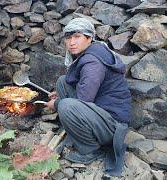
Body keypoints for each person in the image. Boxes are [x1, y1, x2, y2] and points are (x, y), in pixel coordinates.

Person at [45, 18, 131, 176]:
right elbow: (85, 86)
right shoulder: (95, 50)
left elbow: (83, 101)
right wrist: (60, 95)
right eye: (68, 38)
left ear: (89, 38)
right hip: (101, 111)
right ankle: (76, 131)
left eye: (77, 36)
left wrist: (56, 104)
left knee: (65, 106)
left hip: (112, 124)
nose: (72, 42)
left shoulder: (92, 62)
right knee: (63, 82)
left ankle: (90, 149)